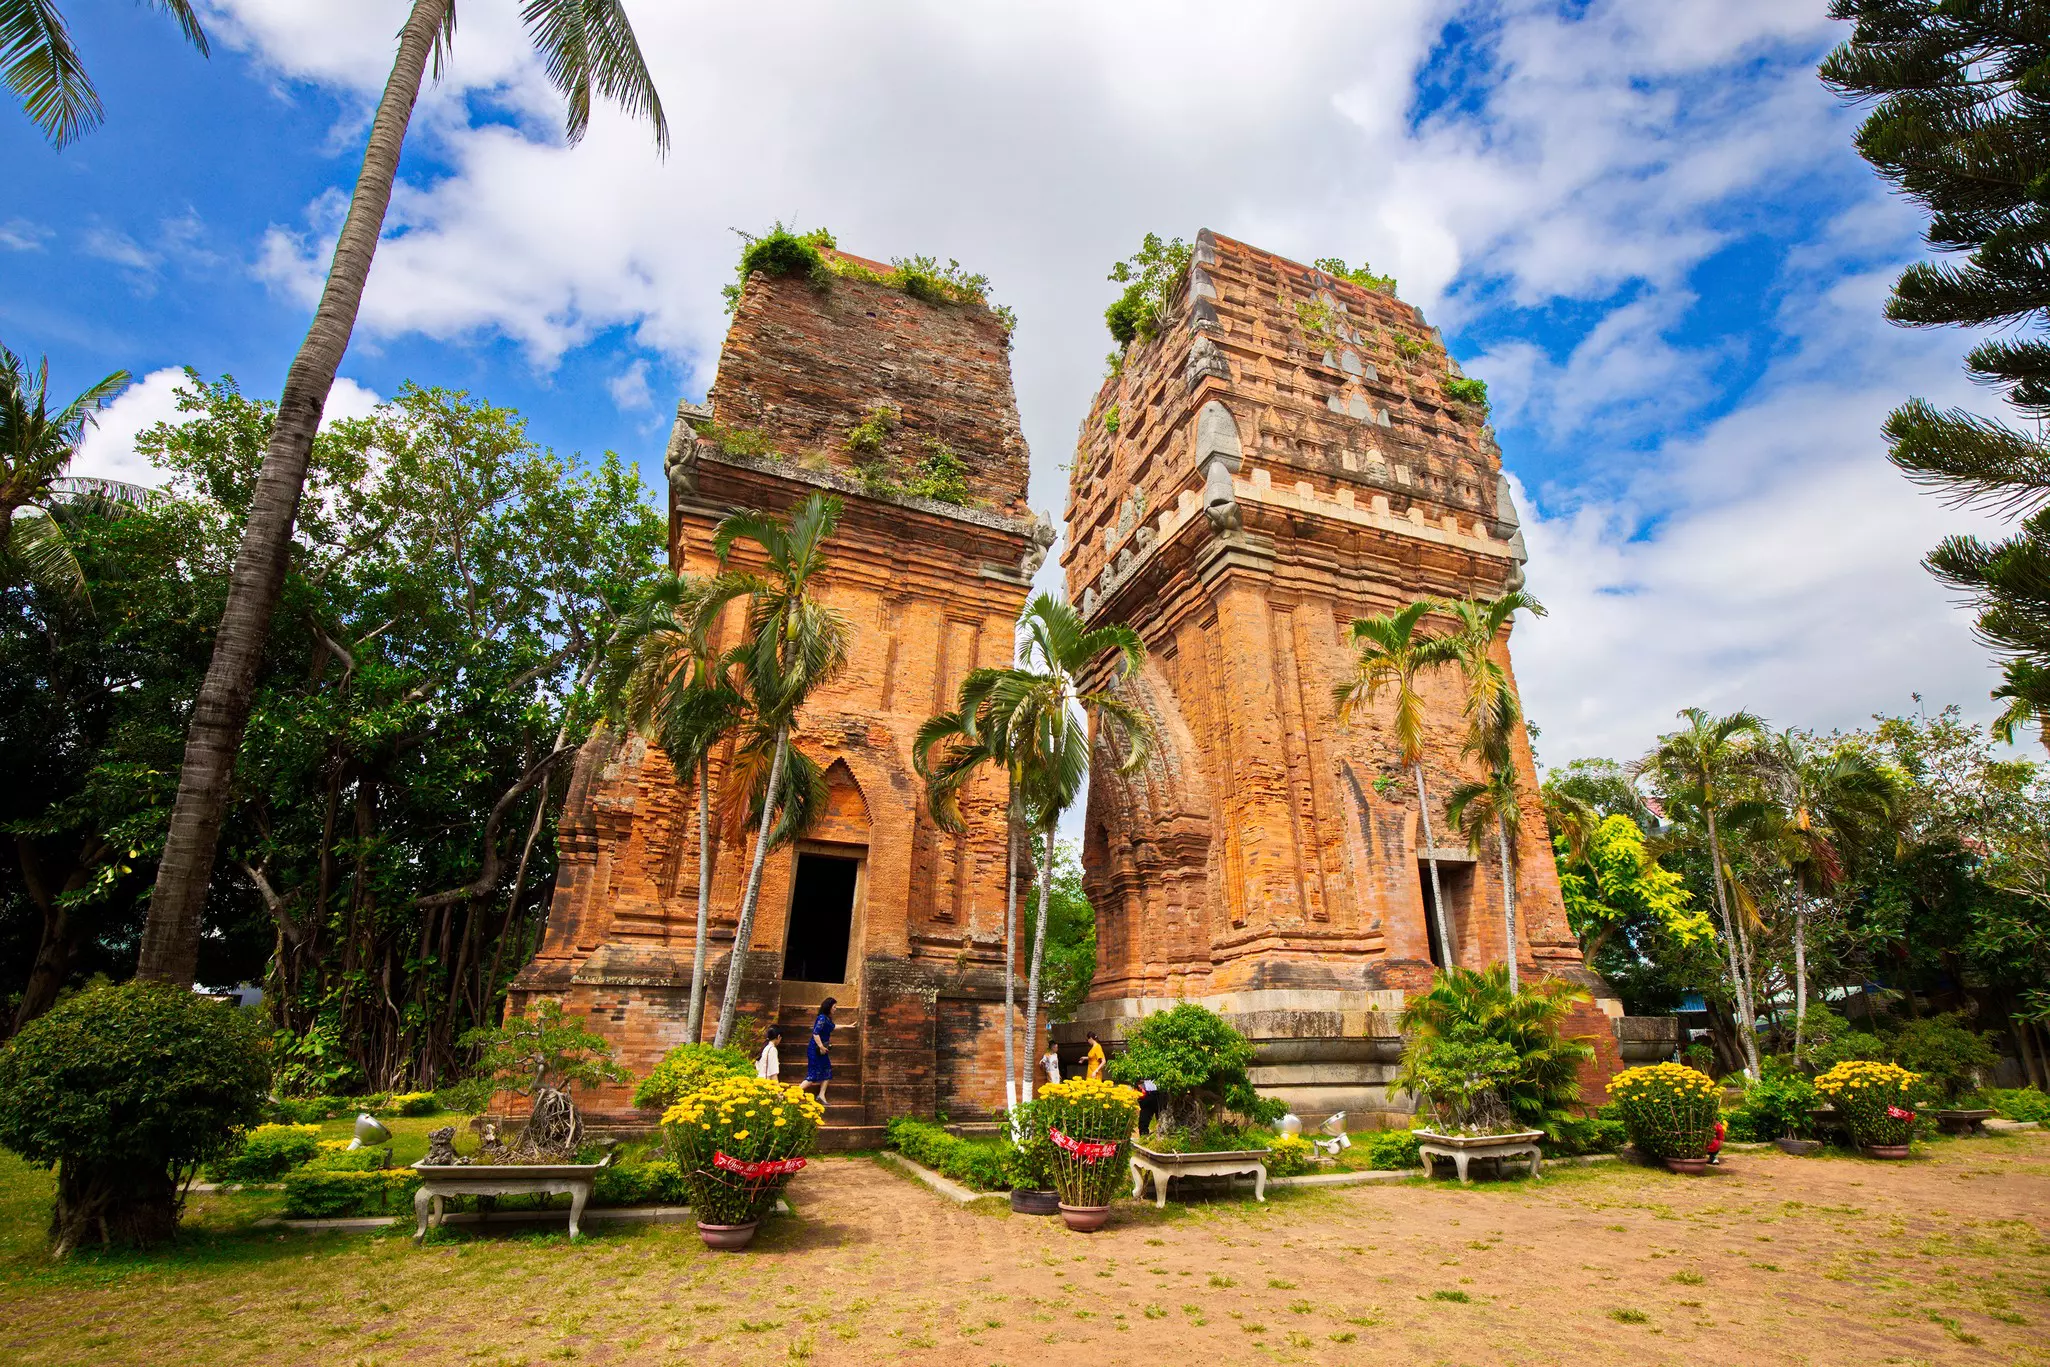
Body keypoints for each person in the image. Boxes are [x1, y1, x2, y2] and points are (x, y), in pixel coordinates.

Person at [803, 997, 837, 1105]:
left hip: (822, 1050)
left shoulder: (827, 1019)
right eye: (834, 1007)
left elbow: (833, 1027)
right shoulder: (822, 1018)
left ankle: (821, 1096)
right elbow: (815, 1033)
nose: (835, 1009)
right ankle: (794, 1093)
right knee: (813, 1076)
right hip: (815, 1050)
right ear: (829, 1007)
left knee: (827, 1070)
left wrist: (849, 1026)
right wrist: (821, 1046)